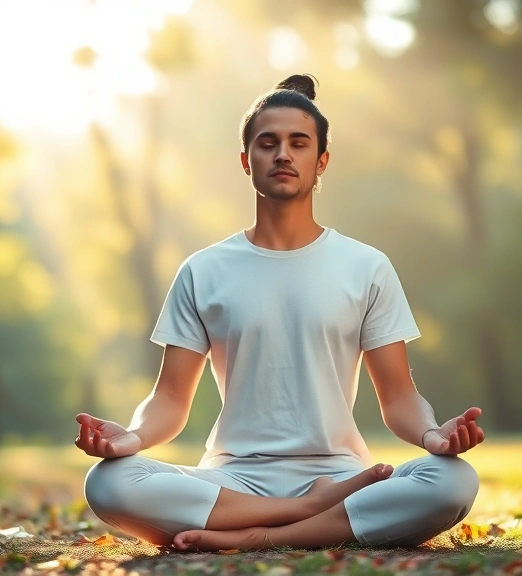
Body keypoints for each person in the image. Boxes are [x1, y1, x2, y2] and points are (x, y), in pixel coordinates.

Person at [75, 74, 485, 552]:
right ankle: (305, 514)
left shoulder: (366, 266)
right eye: (268, 144)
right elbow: (169, 398)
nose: (283, 155)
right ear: (247, 161)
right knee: (107, 483)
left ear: (322, 161)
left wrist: (433, 435)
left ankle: (258, 535)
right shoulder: (203, 270)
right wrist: (134, 438)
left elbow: (398, 397)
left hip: (340, 474)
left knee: (453, 480)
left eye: (299, 143)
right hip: (232, 482)